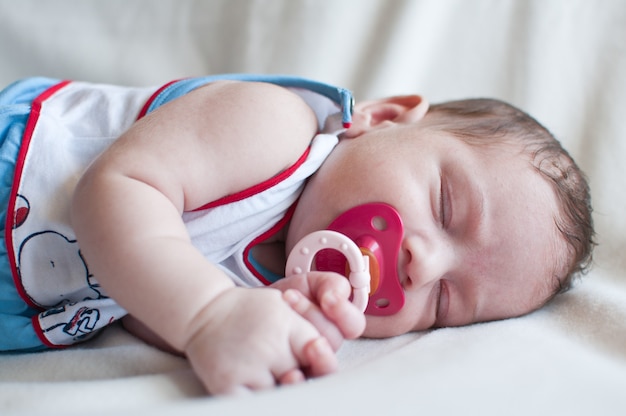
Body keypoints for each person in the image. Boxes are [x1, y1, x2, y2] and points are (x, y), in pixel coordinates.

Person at [0, 74, 593, 395]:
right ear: (382, 119)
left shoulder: (277, 287)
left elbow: (130, 299)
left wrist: (259, 323)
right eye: (445, 205)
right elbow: (118, 189)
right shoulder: (276, 126)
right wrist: (208, 316)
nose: (425, 265)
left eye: (444, 303)